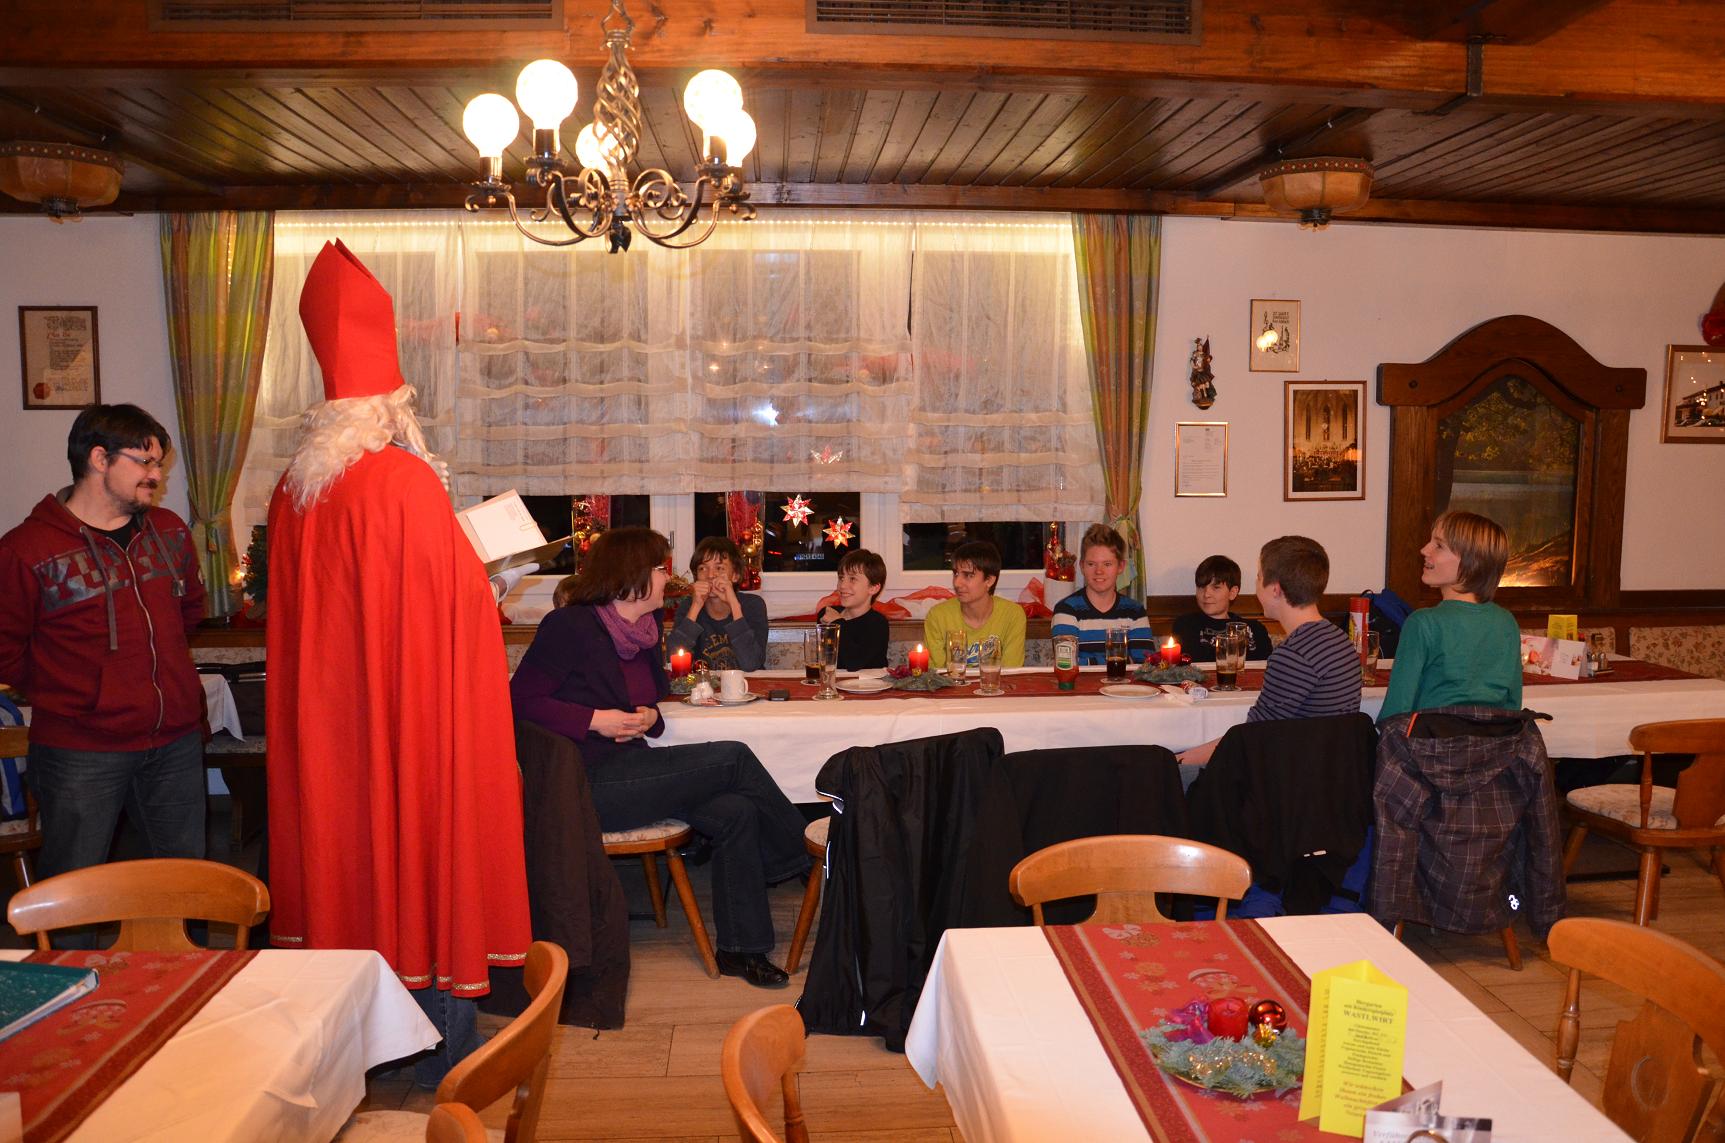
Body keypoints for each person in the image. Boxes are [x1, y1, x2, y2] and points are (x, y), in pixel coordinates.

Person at [266, 240, 531, 1083]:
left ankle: (350, 1053)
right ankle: (437, 1058)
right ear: (389, 402)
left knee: (347, 860)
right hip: (409, 718)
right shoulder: (403, 481)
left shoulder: (294, 489)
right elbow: (450, 614)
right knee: (423, 852)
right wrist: (488, 585)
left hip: (331, 728)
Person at [512, 527, 810, 988]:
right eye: (658, 568)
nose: (666, 577)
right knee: (733, 757)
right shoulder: (570, 626)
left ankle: (741, 950)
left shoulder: (646, 631)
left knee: (737, 810)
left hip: (632, 770)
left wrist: (649, 715)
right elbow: (519, 701)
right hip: (588, 782)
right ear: (629, 574)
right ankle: (809, 861)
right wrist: (594, 720)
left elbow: (652, 700)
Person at [0, 404, 207, 886]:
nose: (156, 475)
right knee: (75, 888)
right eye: (145, 462)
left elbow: (188, 613)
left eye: (159, 463)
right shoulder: (26, 549)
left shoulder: (169, 531)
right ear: (99, 458)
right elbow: (6, 648)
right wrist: (77, 692)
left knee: (184, 886)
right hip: (80, 750)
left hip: (174, 741)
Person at [1178, 536, 1360, 766]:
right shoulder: (1340, 640)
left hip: (1291, 775)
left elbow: (1251, 739)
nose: (1256, 585)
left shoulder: (1294, 655)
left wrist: (1179, 761)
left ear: (1275, 590)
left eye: (1259, 577)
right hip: (1332, 770)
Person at [1379, 510, 1522, 721]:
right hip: (1493, 741)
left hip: (1431, 740)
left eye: (1438, 545)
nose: (1424, 550)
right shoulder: (1506, 622)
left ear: (1472, 562)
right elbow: (1512, 706)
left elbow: (1396, 710)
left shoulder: (1424, 623)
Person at [1051, 524, 1153, 665]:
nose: (1099, 571)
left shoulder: (1135, 612)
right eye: (1091, 564)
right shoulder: (1066, 610)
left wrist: (1088, 662)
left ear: (1121, 567)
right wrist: (1119, 659)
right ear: (1082, 566)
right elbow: (1066, 664)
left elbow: (1145, 665)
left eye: (1107, 564)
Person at [669, 536, 768, 671]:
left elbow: (751, 664)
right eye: (702, 568)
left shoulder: (753, 605)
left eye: (719, 568)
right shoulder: (689, 607)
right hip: (705, 683)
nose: (710, 575)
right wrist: (696, 606)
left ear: (735, 575)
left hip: (745, 683)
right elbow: (673, 660)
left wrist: (735, 606)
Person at [925, 540, 1027, 668]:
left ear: (989, 580)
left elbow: (1010, 673)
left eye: (968, 575)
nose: (957, 583)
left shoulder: (1012, 615)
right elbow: (936, 674)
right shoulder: (937, 616)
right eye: (956, 573)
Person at [1171, 554, 1272, 663]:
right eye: (1201, 587)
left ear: (1232, 593)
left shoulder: (1256, 629)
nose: (1206, 594)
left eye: (1216, 587)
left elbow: (1268, 667)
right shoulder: (1185, 625)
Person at [818, 548, 890, 669]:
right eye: (841, 578)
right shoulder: (827, 614)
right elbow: (827, 663)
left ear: (873, 588)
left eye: (852, 579)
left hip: (871, 681)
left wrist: (837, 623)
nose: (842, 586)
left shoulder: (878, 623)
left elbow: (854, 663)